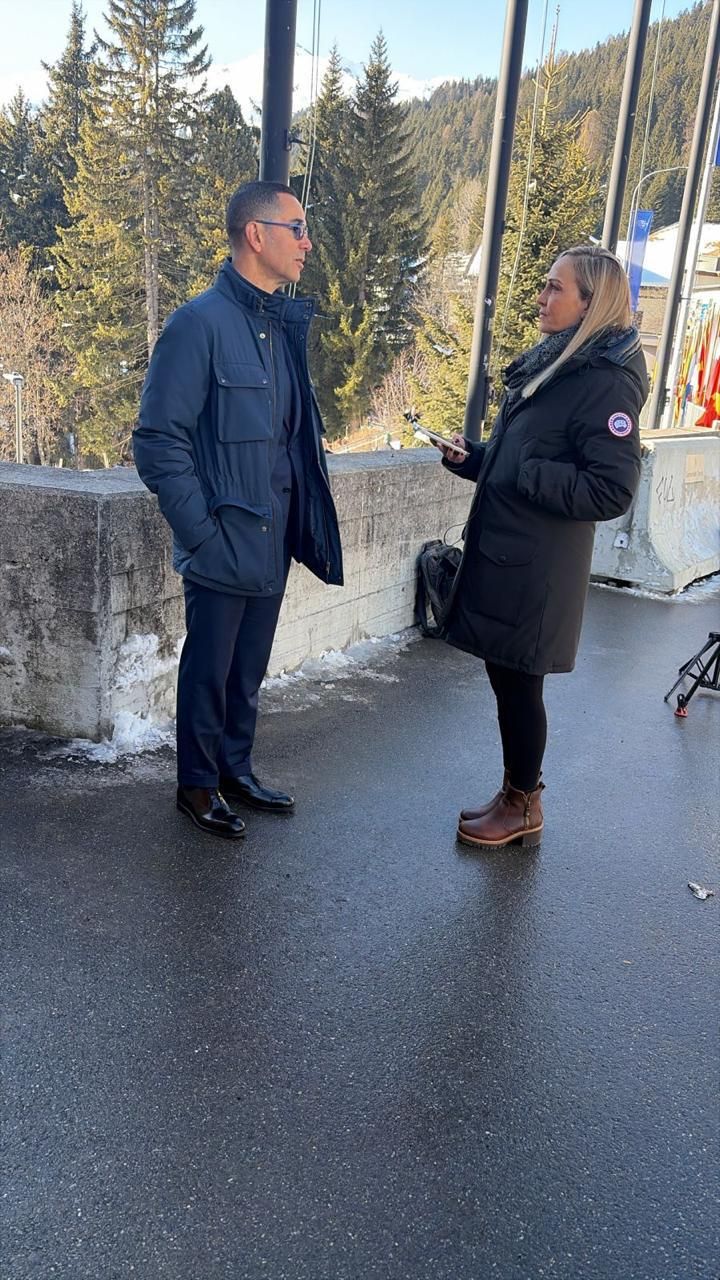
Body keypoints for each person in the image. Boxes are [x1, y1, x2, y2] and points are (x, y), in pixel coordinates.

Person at [133, 181, 343, 839]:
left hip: (272, 535)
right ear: (257, 235)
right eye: (296, 228)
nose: (307, 243)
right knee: (209, 672)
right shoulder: (198, 325)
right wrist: (201, 533)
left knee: (247, 672)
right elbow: (157, 441)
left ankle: (234, 771)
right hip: (223, 537)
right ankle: (196, 785)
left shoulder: (279, 327)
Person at [434, 245, 648, 850]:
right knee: (508, 678)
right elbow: (524, 454)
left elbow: (611, 489)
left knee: (521, 684)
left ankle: (523, 803)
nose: (541, 297)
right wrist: (475, 459)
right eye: (545, 284)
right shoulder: (558, 364)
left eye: (556, 288)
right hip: (513, 555)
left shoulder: (606, 384)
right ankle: (515, 792)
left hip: (539, 569)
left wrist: (525, 473)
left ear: (590, 303)